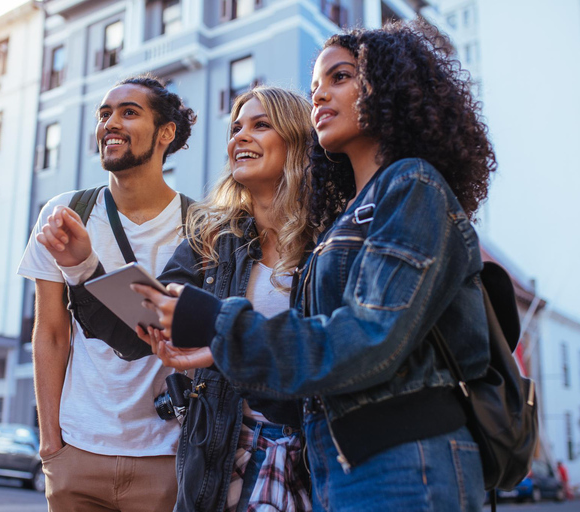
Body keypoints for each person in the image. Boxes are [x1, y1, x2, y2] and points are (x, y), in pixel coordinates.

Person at [133, 21, 497, 512]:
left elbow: (367, 339)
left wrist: (220, 327)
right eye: (314, 87)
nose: (321, 94)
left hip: (406, 462)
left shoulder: (413, 187)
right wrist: (222, 354)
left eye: (341, 77)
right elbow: (312, 373)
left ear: (390, 87)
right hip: (339, 467)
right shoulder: (346, 223)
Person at [49, 86, 315, 512]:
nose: (240, 137)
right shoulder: (210, 238)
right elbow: (142, 333)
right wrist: (83, 266)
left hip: (312, 453)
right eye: (235, 127)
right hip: (223, 455)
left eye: (260, 125)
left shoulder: (330, 241)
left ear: (299, 139)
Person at [17, 75, 196, 512]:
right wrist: (51, 444)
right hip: (78, 452)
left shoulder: (201, 225)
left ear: (165, 133)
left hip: (165, 456)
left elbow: (165, 337)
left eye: (128, 112)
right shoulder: (66, 213)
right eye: (104, 114)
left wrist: (85, 266)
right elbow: (51, 335)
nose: (109, 124)